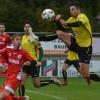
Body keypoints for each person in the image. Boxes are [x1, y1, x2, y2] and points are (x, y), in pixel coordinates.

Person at [20, 21, 62, 96]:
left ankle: (51, 81)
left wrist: (39, 61)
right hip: (25, 64)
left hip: (33, 63)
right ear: (23, 28)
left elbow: (41, 50)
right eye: (25, 27)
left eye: (28, 26)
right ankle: (21, 98)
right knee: (21, 82)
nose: (27, 28)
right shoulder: (22, 38)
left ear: (31, 28)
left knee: (37, 85)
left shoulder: (34, 38)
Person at [54, 2, 92, 86]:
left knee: (84, 74)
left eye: (73, 9)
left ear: (78, 9)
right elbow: (62, 28)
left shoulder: (82, 16)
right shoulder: (71, 19)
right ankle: (66, 82)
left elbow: (78, 24)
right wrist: (57, 21)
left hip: (86, 47)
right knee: (59, 33)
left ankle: (88, 78)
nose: (71, 11)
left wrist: (66, 23)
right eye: (70, 10)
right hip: (76, 44)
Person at [0, 33, 38, 100]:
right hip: (9, 76)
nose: (19, 41)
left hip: (16, 77)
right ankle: (22, 98)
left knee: (3, 95)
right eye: (17, 39)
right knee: (4, 97)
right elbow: (1, 54)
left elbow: (34, 62)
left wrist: (28, 63)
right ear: (12, 41)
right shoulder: (7, 50)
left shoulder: (23, 52)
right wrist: (3, 63)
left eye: (20, 40)